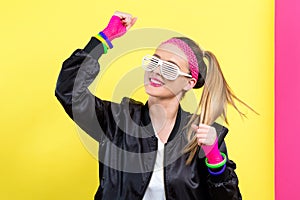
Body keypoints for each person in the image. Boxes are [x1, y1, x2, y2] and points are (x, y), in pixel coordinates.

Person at [55, 11, 250, 200]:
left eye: (170, 68)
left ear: (189, 83)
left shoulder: (200, 135)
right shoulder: (117, 121)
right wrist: (103, 39)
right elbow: (68, 90)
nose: (156, 71)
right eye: (154, 61)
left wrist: (214, 158)